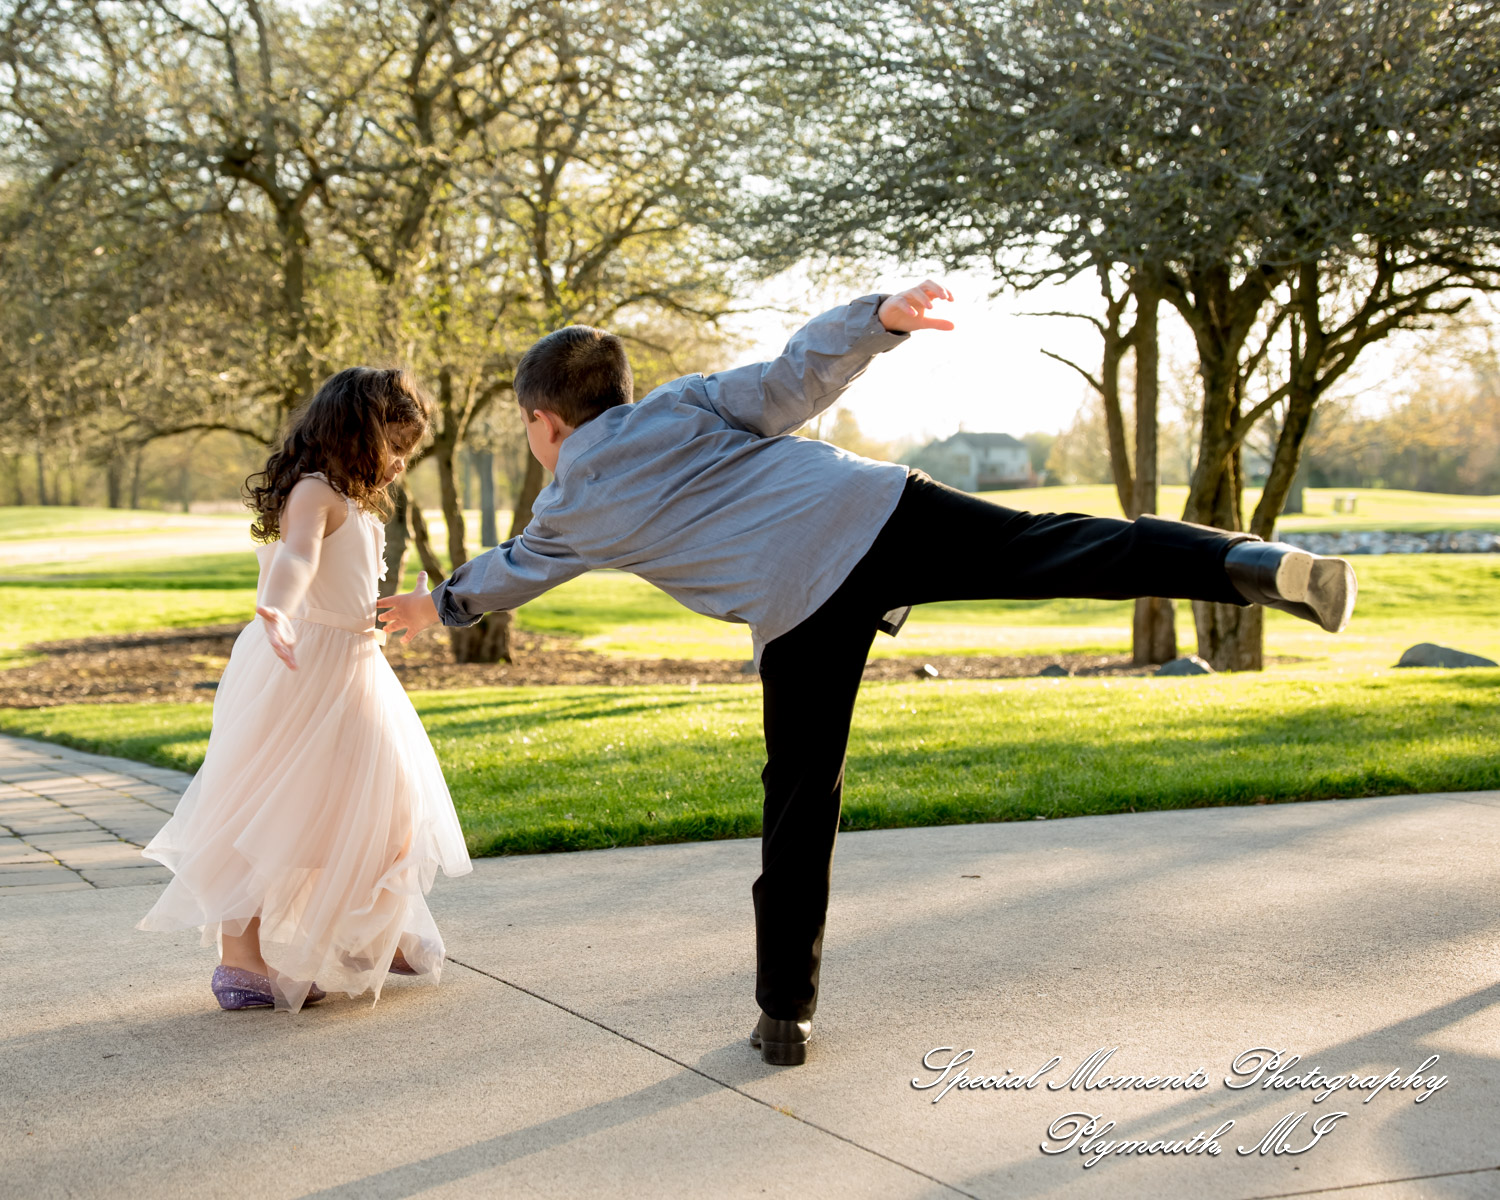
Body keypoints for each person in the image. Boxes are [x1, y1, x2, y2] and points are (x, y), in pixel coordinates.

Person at [376, 281, 1356, 1063]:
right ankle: (1246, 563)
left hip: (800, 602)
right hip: (880, 510)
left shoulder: (572, 503)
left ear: (543, 424)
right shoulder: (685, 403)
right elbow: (795, 378)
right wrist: (877, 321)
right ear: (618, 393)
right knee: (1067, 546)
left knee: (801, 799)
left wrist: (433, 605)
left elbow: (514, 572)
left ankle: (785, 1016)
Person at [139, 367, 473, 1013]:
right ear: (357, 435)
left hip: (357, 666)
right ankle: (242, 960)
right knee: (269, 808)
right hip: (305, 667)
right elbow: (297, 559)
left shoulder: (352, 502)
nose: (400, 464)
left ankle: (370, 931)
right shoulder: (314, 494)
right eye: (395, 447)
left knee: (387, 807)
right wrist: (280, 608)